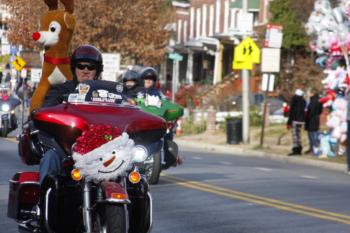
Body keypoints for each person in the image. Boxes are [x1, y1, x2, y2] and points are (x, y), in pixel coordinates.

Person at [39, 44, 104, 184]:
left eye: (91, 67)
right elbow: (47, 109)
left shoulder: (106, 93)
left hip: (100, 148)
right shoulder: (60, 90)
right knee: (50, 158)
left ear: (97, 70)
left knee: (131, 169)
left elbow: (121, 108)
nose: (85, 70)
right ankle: (43, 200)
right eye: (81, 66)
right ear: (74, 69)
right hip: (67, 147)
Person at [287, 89, 306, 156]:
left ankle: (296, 149)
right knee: (298, 134)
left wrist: (289, 122)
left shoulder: (294, 101)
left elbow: (292, 112)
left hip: (294, 120)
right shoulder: (303, 101)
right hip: (301, 121)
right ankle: (299, 147)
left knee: (295, 135)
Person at [304, 88, 323, 156]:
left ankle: (314, 149)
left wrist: (307, 118)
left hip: (311, 120)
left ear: (312, 93)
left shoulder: (312, 101)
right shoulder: (319, 100)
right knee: (314, 135)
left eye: (308, 92)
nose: (307, 94)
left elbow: (310, 112)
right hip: (316, 120)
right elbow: (320, 110)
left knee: (312, 136)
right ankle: (312, 149)